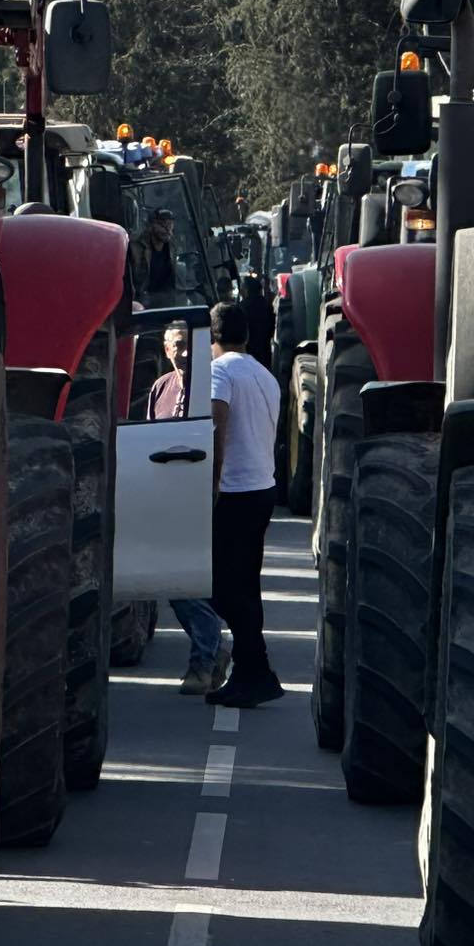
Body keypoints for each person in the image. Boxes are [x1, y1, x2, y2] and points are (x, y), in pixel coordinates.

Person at [204, 300, 284, 708]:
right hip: (261, 488)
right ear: (248, 335)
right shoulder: (265, 375)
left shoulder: (219, 372)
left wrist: (212, 482)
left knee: (218, 585)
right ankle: (252, 673)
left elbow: (217, 424)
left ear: (211, 336)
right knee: (244, 583)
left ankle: (255, 667)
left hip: (233, 491)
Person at [148, 323, 231, 694]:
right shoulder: (161, 387)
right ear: (166, 349)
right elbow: (149, 436)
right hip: (165, 495)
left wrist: (214, 483)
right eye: (176, 345)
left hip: (202, 493)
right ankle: (214, 651)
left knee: (185, 582)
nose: (182, 353)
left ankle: (202, 662)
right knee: (171, 580)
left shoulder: (209, 386)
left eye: (188, 345)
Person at [132, 209, 181, 306]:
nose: (167, 229)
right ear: (150, 226)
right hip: (144, 300)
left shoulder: (172, 245)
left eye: (170, 224)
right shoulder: (137, 246)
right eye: (162, 224)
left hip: (168, 300)